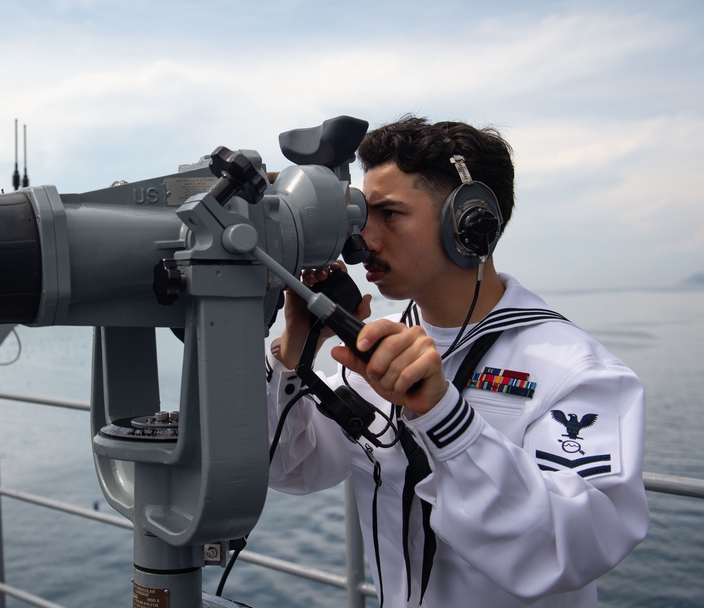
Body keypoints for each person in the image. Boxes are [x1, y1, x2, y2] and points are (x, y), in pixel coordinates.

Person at [265, 116, 649, 607]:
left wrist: (446, 418)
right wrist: (292, 350)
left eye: (390, 215)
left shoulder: (575, 372)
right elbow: (292, 470)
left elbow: (571, 549)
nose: (363, 243)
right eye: (362, 216)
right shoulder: (370, 352)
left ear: (469, 223)